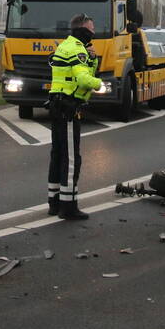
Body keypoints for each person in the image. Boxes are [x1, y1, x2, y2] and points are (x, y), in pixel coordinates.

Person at [47, 13, 102, 220]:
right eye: (91, 30)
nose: (93, 34)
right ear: (82, 30)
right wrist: (100, 84)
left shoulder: (65, 45)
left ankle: (54, 202)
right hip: (68, 107)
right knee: (71, 159)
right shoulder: (77, 49)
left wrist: (93, 59)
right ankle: (68, 207)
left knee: (57, 155)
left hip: (57, 104)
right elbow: (84, 78)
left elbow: (82, 69)